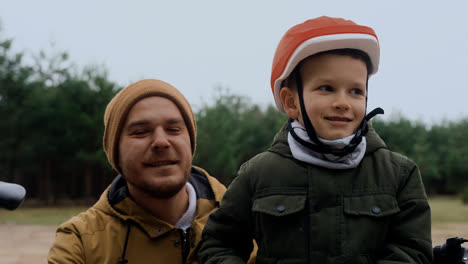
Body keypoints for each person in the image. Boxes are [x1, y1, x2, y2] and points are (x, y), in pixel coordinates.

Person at [199, 16, 432, 263]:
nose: (342, 102)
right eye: (326, 88)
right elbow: (217, 245)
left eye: (356, 91)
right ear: (291, 102)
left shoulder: (399, 175)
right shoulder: (258, 175)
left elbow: (412, 252)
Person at [48, 79, 227, 264]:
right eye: (141, 132)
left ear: (190, 142)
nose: (161, 142)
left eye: (174, 129)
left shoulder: (244, 218)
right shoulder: (81, 242)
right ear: (116, 152)